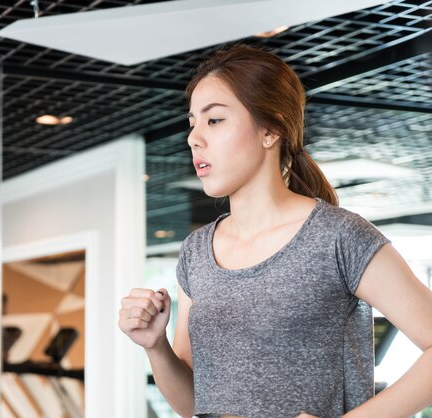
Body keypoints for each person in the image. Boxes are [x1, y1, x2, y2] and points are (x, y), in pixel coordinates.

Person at [117, 44, 432, 418]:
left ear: (271, 130)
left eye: (214, 120)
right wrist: (156, 347)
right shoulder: (196, 251)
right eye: (192, 123)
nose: (193, 137)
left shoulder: (337, 236)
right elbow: (194, 405)